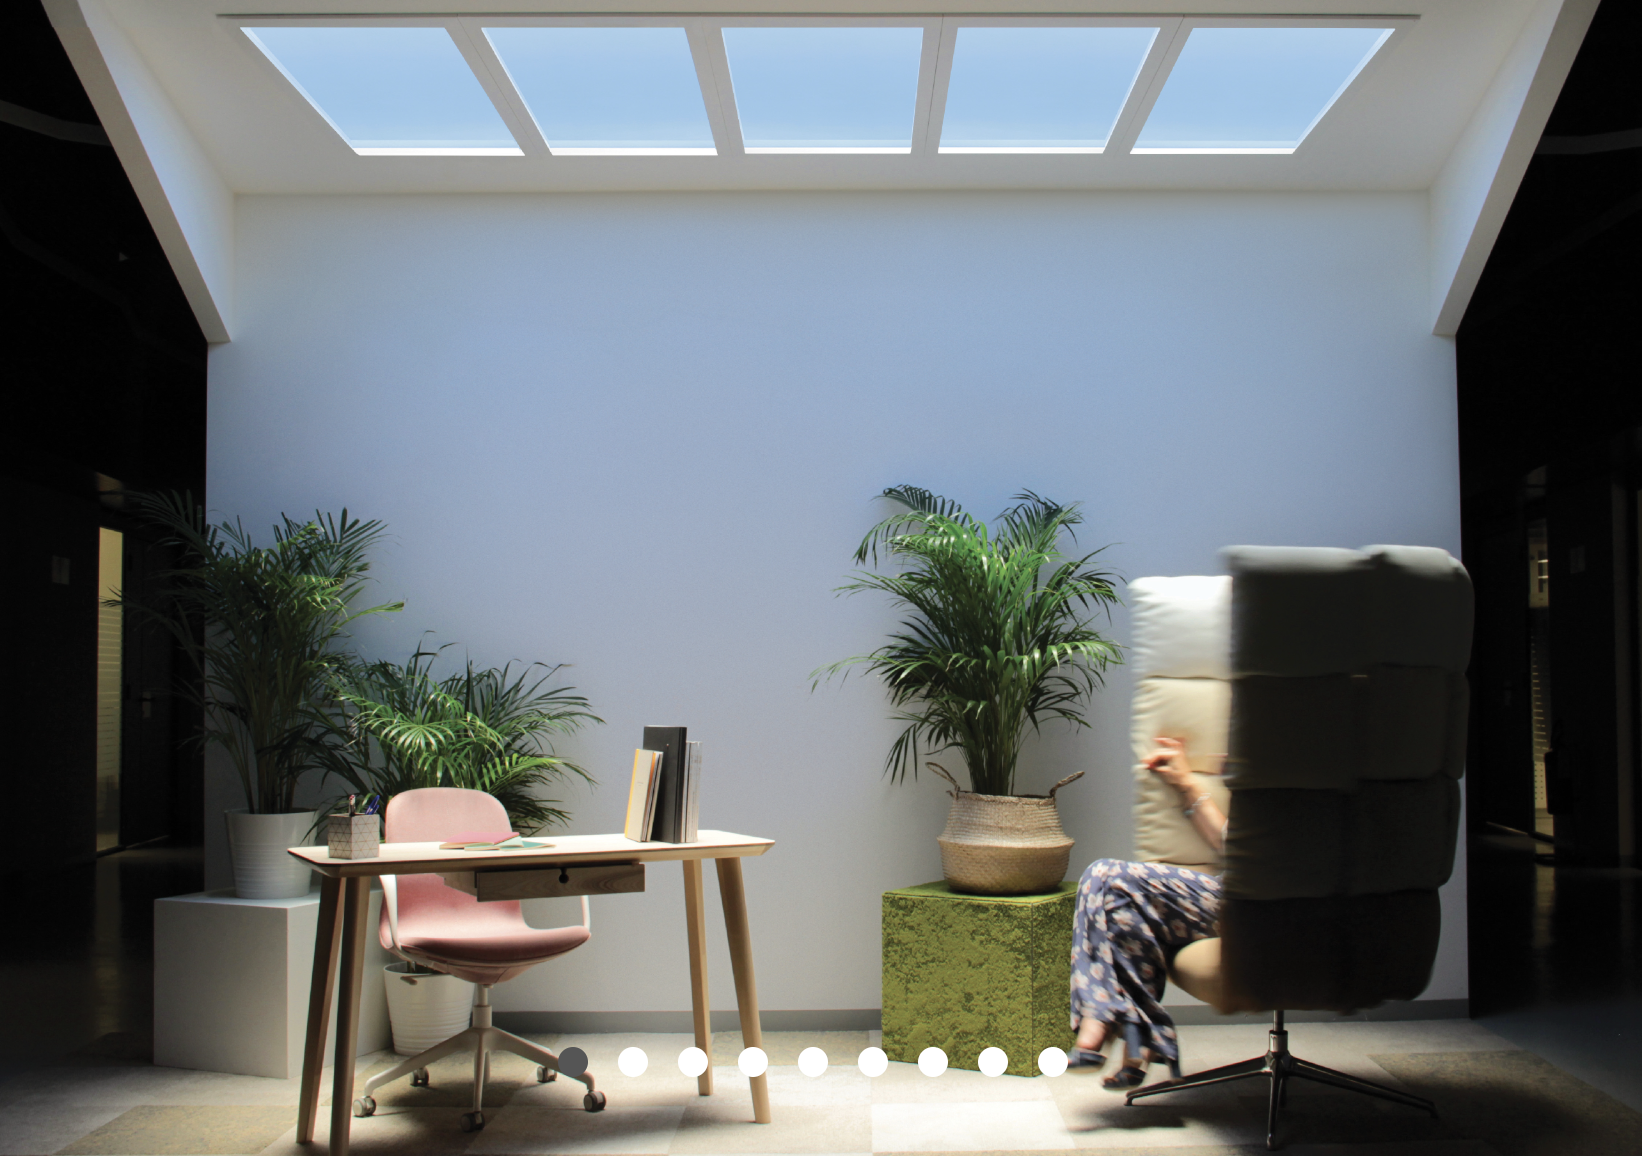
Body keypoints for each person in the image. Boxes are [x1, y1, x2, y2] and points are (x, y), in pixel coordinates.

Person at [1068, 736, 1228, 1089]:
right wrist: (1185, 784)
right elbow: (1231, 843)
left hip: (1260, 898)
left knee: (1105, 877)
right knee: (1121, 907)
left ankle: (1105, 1017)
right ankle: (1137, 1042)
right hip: (1241, 887)